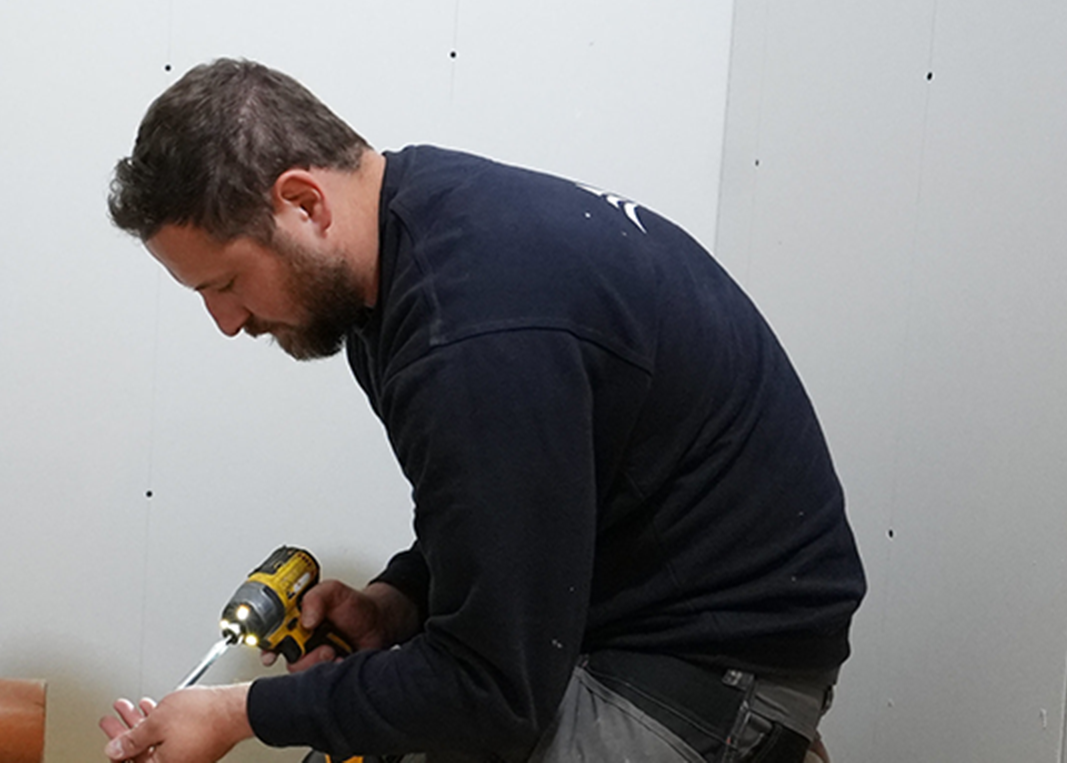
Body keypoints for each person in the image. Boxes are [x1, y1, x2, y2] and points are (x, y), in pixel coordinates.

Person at [96, 58, 865, 763]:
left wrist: (241, 713)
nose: (228, 323)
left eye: (224, 285)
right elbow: (513, 514)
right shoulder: (409, 254)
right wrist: (400, 600)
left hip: (712, 681)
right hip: (622, 634)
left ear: (303, 202)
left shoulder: (468, 332)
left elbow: (489, 689)